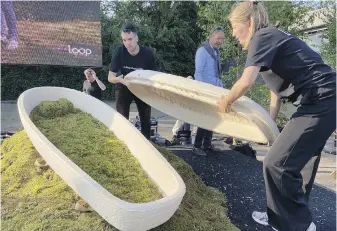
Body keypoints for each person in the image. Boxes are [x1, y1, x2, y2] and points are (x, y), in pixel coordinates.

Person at [217, 1, 336, 231]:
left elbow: (245, 82)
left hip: (321, 99)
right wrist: (270, 124)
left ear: (248, 23)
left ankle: (297, 225)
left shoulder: (261, 37)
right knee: (300, 166)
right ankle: (281, 217)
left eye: (234, 26)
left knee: (275, 163)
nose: (232, 33)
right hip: (325, 99)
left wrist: (226, 101)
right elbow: (276, 91)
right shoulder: (271, 39)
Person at [108, 23, 156, 140]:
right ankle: (123, 142)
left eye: (130, 39)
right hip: (124, 85)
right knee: (122, 118)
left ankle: (147, 144)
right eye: (124, 40)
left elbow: (154, 76)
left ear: (137, 38)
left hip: (141, 86)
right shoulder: (119, 52)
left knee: (146, 118)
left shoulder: (148, 54)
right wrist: (118, 80)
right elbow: (110, 77)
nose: (127, 43)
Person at [193, 26, 225, 156]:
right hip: (206, 90)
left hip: (215, 90)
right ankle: (196, 146)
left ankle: (207, 145)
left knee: (213, 118)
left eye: (222, 39)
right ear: (211, 36)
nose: (220, 41)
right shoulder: (202, 51)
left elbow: (215, 73)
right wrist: (202, 90)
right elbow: (198, 73)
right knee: (203, 118)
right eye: (218, 38)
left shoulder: (215, 52)